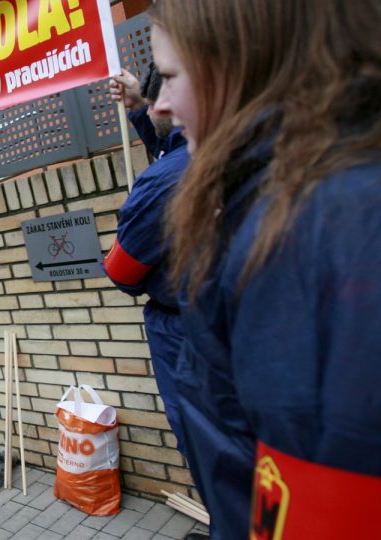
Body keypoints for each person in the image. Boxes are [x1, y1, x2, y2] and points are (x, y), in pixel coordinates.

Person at [150, 1, 381, 538]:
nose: (160, 105)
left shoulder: (311, 228)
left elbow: (323, 505)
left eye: (169, 76)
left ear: (239, 60)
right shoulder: (301, 194)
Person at [104, 65, 192, 458]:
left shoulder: (162, 182)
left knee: (201, 440)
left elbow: (122, 271)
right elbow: (166, 144)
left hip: (185, 332)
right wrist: (138, 105)